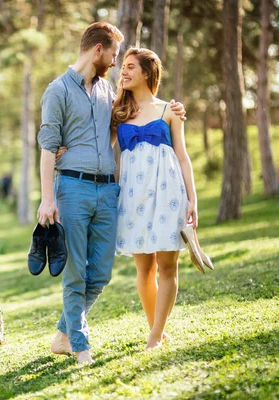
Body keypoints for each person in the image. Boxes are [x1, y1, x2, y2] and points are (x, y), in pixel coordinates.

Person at [37, 22, 186, 364]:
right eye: (115, 55)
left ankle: (62, 333)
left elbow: (140, 119)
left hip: (107, 192)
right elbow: (47, 148)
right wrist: (48, 198)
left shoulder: (109, 95)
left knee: (100, 273)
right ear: (98, 51)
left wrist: (173, 111)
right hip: (72, 189)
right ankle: (80, 344)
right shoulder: (57, 90)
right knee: (76, 271)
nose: (117, 64)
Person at [111, 47, 197, 349]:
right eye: (122, 65)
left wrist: (192, 200)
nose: (123, 71)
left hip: (167, 193)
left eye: (130, 66)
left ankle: (154, 336)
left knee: (167, 266)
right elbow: (95, 142)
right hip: (134, 196)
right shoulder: (117, 112)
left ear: (147, 73)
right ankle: (156, 330)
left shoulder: (170, 110)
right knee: (144, 269)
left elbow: (183, 157)